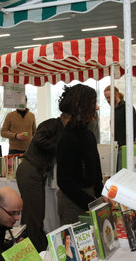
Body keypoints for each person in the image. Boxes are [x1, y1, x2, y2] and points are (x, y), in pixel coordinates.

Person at [15, 112, 70, 252]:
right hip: (30, 170)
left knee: (36, 216)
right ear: (68, 117)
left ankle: (36, 249)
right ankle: (32, 252)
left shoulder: (58, 128)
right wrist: (62, 148)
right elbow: (39, 139)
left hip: (35, 172)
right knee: (32, 217)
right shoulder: (52, 124)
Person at [56, 84, 103, 225]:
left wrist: (100, 195)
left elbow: (95, 169)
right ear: (82, 106)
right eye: (93, 103)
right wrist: (91, 203)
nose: (96, 107)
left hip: (88, 199)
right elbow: (64, 181)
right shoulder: (68, 137)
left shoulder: (88, 134)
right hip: (73, 202)